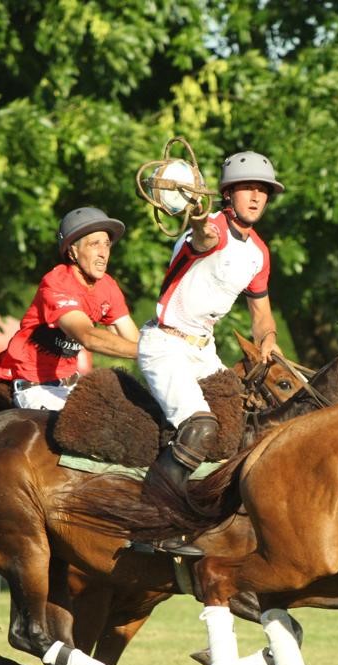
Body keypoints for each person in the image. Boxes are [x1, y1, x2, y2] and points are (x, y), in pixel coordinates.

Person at [136, 151, 285, 553]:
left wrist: (268, 338)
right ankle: (149, 526)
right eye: (248, 188)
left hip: (204, 351)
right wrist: (199, 215)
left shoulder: (259, 252)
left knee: (243, 429)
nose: (257, 197)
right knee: (200, 427)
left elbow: (261, 315)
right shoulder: (210, 228)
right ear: (228, 194)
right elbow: (204, 238)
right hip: (166, 344)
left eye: (263, 190)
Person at [0, 207, 140, 410]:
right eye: (94, 244)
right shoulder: (56, 283)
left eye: (106, 244)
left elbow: (134, 340)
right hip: (35, 389)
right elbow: (88, 337)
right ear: (72, 251)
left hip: (72, 386)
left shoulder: (108, 285)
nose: (103, 253)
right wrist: (151, 352)